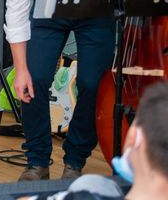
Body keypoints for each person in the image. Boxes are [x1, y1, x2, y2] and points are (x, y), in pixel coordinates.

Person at [3, 0, 168, 182]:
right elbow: (15, 13)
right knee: (34, 80)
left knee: (94, 84)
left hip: (96, 10)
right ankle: (37, 161)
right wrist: (21, 69)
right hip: (48, 11)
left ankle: (75, 160)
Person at [18, 81, 168, 200]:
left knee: (91, 183)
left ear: (133, 137)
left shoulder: (91, 192)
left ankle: (73, 163)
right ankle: (40, 163)